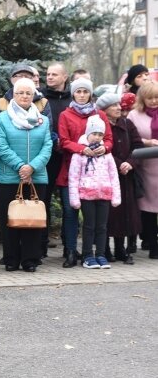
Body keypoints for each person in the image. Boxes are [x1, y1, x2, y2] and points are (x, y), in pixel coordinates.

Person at [0, 78, 53, 272]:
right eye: (20, 93)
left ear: (33, 96)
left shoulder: (42, 120)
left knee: (32, 220)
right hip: (8, 177)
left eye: (29, 93)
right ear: (14, 95)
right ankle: (11, 259)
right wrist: (21, 166)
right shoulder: (2, 119)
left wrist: (32, 167)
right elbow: (1, 147)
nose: (25, 96)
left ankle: (30, 259)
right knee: (9, 219)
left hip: (37, 177)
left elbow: (47, 146)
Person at [56, 77, 113, 268]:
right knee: (71, 213)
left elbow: (109, 139)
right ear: (73, 93)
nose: (81, 95)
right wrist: (82, 148)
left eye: (85, 92)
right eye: (78, 91)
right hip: (71, 170)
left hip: (96, 175)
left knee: (95, 218)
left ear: (90, 94)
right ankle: (71, 250)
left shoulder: (100, 115)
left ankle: (97, 252)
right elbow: (63, 141)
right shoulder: (66, 115)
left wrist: (104, 147)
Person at [67, 114, 121, 269]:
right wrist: (74, 198)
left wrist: (115, 195)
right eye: (94, 134)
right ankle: (87, 255)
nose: (97, 137)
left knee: (102, 226)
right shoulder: (80, 154)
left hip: (104, 193)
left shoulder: (107, 154)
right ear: (87, 134)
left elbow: (113, 175)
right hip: (87, 194)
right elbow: (73, 177)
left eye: (100, 134)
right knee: (89, 226)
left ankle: (101, 254)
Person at [100, 93, 141, 263]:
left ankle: (121, 249)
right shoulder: (99, 125)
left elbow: (138, 145)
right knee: (109, 213)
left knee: (125, 212)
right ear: (104, 110)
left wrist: (130, 163)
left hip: (127, 176)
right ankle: (105, 249)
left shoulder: (127, 123)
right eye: (114, 105)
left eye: (119, 104)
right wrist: (118, 164)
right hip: (106, 175)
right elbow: (100, 147)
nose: (119, 108)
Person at [40, 63, 71, 256]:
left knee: (69, 202)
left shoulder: (73, 98)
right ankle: (41, 244)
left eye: (54, 74)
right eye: (48, 74)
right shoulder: (41, 98)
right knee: (43, 199)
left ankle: (70, 246)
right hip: (48, 157)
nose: (49, 77)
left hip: (69, 157)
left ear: (65, 77)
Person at [127, 81, 158, 258]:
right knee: (148, 208)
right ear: (142, 98)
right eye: (150, 98)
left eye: (157, 98)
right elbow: (132, 137)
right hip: (145, 167)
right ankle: (152, 245)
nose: (154, 101)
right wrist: (148, 142)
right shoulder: (134, 115)